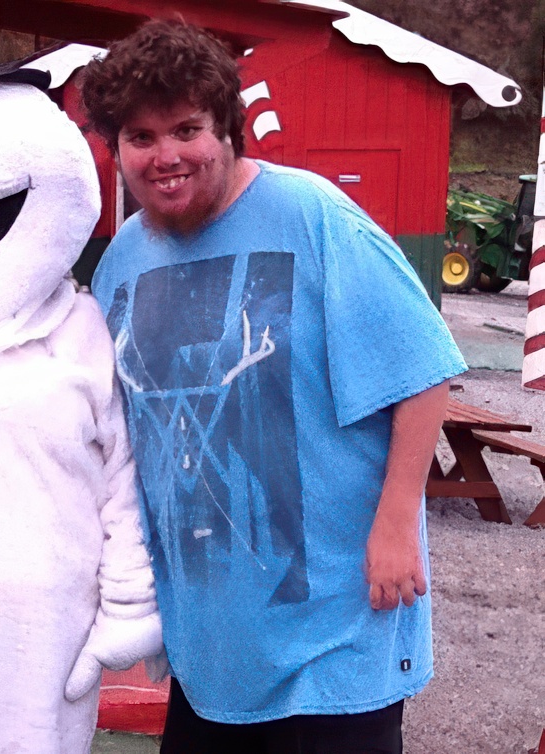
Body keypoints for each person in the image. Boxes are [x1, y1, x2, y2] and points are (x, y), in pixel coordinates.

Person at [81, 20, 467, 754]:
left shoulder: (315, 217)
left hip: (334, 636)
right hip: (211, 651)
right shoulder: (122, 263)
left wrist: (395, 522)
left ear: (228, 128)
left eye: (187, 129)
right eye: (141, 137)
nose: (166, 156)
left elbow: (422, 371)